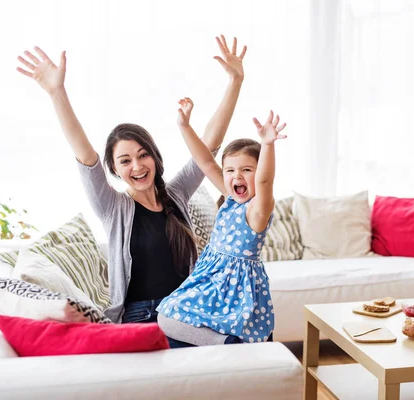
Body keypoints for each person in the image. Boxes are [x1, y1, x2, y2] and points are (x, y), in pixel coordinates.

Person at [16, 36, 247, 347]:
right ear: (114, 170)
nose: (137, 166)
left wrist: (235, 81)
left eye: (143, 154)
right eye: (125, 161)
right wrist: (57, 92)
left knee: (243, 335)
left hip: (185, 310)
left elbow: (208, 146)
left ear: (154, 156)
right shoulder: (113, 207)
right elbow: (85, 156)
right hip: (143, 317)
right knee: (226, 347)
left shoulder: (175, 195)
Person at [155, 97, 287, 345]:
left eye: (247, 170)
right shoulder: (230, 198)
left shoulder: (256, 210)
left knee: (167, 319)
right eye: (230, 170)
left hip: (234, 289)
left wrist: (267, 145)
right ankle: (224, 344)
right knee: (166, 317)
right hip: (211, 279)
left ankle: (227, 345)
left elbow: (265, 182)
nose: (237, 175)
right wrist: (184, 126)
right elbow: (205, 162)